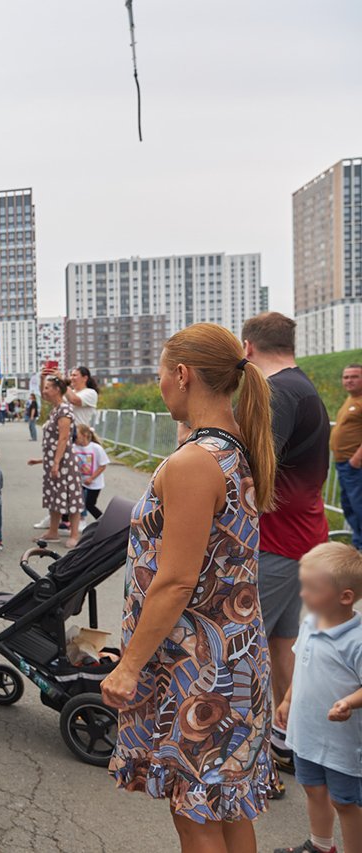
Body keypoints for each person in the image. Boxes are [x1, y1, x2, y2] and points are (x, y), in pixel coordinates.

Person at [103, 322, 278, 853]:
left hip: (198, 666)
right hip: (232, 655)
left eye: (161, 374)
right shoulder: (232, 450)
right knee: (223, 806)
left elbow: (176, 580)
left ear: (182, 375)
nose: (160, 386)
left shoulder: (194, 463)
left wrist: (129, 665)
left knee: (195, 814)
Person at [241, 311, 331, 785]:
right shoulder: (307, 387)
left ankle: (259, 762)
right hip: (307, 534)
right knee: (282, 649)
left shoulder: (276, 393)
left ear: (248, 348)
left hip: (276, 542)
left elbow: (258, 470)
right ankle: (288, 744)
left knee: (247, 648)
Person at [273, 542, 362, 853]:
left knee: (345, 801)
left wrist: (350, 702)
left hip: (342, 742)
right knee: (312, 787)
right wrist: (286, 699)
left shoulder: (357, 640)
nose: (302, 594)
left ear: (345, 597)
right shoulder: (310, 622)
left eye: (311, 588)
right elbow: (302, 666)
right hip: (308, 732)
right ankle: (321, 845)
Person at [28, 376, 83, 548]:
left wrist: (57, 462)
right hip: (54, 461)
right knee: (55, 496)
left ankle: (74, 535)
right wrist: (43, 460)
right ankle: (53, 531)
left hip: (64, 463)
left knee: (70, 496)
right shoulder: (56, 409)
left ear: (57, 390)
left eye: (47, 388)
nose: (44, 392)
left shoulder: (64, 410)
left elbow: (64, 437)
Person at [332, 364, 362, 551]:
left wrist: (356, 460)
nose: (349, 380)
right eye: (346, 377)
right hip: (344, 465)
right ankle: (358, 546)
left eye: (354, 377)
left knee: (359, 507)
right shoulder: (351, 400)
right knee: (350, 507)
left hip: (355, 466)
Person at [72, 424, 109, 521]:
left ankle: (103, 520)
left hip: (94, 483)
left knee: (89, 504)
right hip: (79, 481)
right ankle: (75, 521)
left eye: (76, 434)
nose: (74, 437)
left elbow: (103, 465)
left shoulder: (96, 448)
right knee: (76, 502)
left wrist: (91, 478)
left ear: (84, 435)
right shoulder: (74, 447)